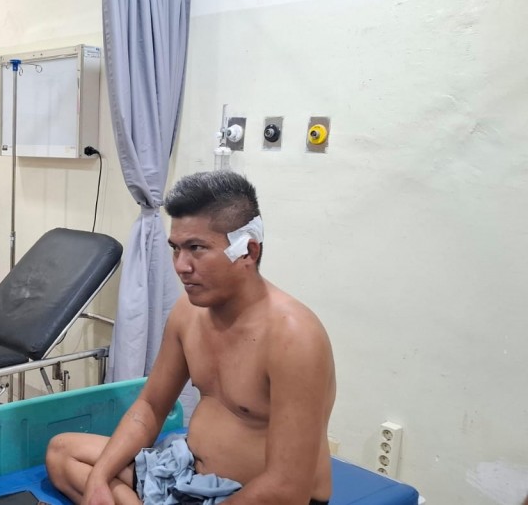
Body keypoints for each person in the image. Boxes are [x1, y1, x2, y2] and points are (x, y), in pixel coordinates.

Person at [46, 171, 336, 504]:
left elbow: (287, 488)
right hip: (187, 474)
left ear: (248, 251)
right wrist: (99, 478)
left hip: (257, 497)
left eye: (196, 248)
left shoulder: (294, 337)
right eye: (176, 249)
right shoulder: (188, 313)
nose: (181, 266)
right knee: (62, 452)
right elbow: (151, 407)